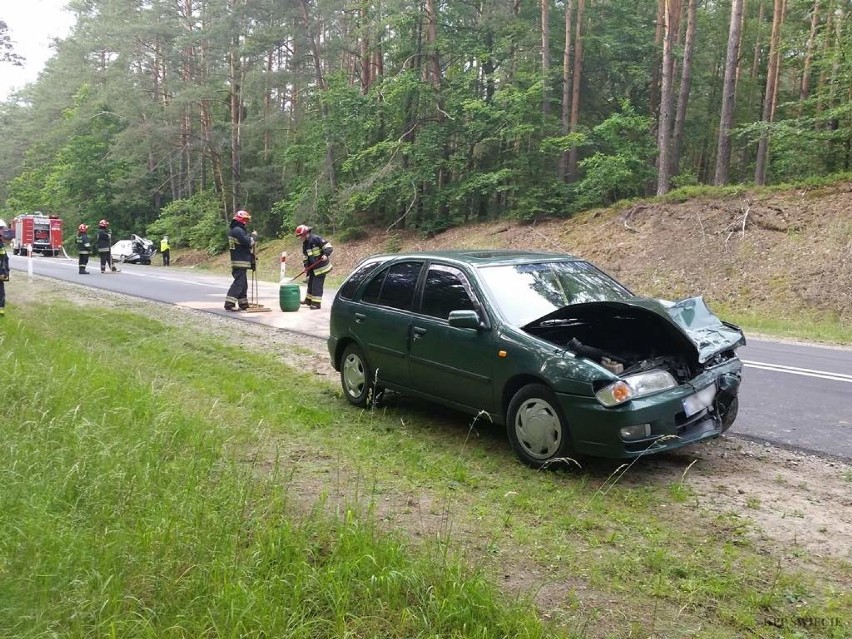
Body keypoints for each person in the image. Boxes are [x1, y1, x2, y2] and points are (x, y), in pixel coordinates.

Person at [295, 224, 333, 310]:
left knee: (317, 285)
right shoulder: (305, 244)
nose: (300, 238)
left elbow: (329, 247)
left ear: (305, 234)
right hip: (313, 268)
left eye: (300, 236)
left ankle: (316, 303)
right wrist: (306, 267)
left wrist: (326, 254)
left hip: (321, 267)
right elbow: (306, 257)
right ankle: (308, 300)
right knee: (310, 283)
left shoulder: (316, 239)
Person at [224, 210, 253, 311]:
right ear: (240, 220)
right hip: (240, 261)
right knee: (239, 283)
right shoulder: (238, 230)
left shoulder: (235, 230)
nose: (246, 222)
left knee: (243, 283)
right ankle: (229, 303)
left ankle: (243, 303)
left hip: (240, 260)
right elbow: (247, 242)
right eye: (245, 220)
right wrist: (253, 237)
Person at [0, 219, 9, 317]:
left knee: (1, 292)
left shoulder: (1, 242)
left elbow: (4, 259)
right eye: (1, 229)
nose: (2, 231)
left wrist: (5, 272)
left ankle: (1, 311)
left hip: (1, 273)